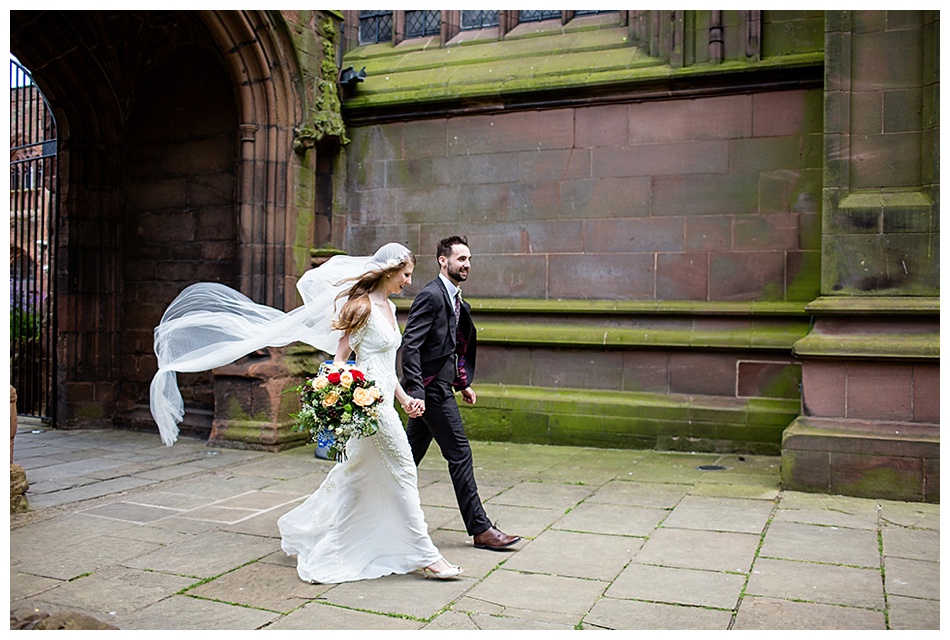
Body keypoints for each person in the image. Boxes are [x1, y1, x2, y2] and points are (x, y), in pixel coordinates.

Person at [150, 243, 462, 583]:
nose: (408, 281)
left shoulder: (388, 307)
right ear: (389, 271)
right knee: (403, 470)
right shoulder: (361, 307)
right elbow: (342, 360)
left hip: (386, 402)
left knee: (356, 476)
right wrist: (344, 394)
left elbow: (386, 365)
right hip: (370, 408)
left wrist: (403, 399)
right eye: (405, 274)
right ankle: (427, 556)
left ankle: (329, 543)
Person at [401, 236, 521, 551]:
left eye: (469, 259)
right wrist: (417, 392)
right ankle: (481, 529)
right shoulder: (431, 295)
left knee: (406, 458)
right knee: (460, 454)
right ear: (443, 260)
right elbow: (410, 346)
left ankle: (373, 511)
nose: (466, 264)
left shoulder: (454, 297)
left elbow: (448, 346)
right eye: (460, 259)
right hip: (431, 391)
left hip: (441, 386)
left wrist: (462, 382)